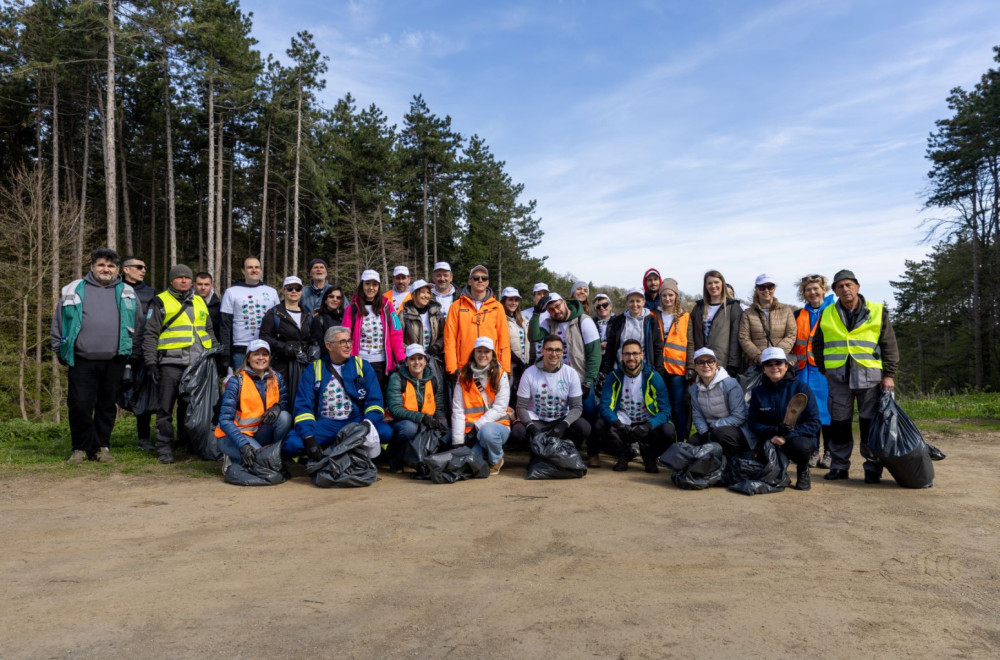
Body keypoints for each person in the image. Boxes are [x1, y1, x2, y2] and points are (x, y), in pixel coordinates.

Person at [51, 247, 139, 464]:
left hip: (115, 359)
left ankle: (101, 447)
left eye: (110, 266)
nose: (106, 269)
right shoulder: (74, 290)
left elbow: (138, 324)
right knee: (80, 405)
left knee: (107, 406)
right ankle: (80, 448)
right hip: (82, 359)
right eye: (101, 265)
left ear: (117, 269)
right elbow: (59, 322)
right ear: (92, 267)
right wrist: (58, 349)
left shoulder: (127, 291)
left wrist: (130, 353)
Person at [813, 269, 899, 482]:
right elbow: (817, 344)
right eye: (840, 286)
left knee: (869, 425)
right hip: (838, 378)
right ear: (834, 290)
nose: (845, 289)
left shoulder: (878, 311)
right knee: (839, 424)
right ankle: (840, 466)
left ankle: (872, 468)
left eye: (849, 284)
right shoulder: (827, 313)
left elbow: (889, 345)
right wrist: (824, 369)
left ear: (857, 287)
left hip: (869, 378)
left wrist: (888, 374)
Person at [143, 264, 217, 464]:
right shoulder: (160, 301)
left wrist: (214, 352)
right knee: (165, 408)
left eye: (187, 278)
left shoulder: (200, 301)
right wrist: (151, 362)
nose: (184, 280)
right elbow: (150, 334)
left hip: (196, 364)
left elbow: (208, 329)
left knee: (191, 409)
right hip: (170, 363)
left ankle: (188, 445)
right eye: (179, 277)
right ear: (171, 281)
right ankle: (165, 448)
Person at [285, 326, 392, 460]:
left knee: (385, 432)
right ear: (329, 346)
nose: (348, 346)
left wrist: (367, 422)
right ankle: (330, 452)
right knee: (293, 444)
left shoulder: (362, 366)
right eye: (342, 342)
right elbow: (303, 406)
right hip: (325, 423)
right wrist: (308, 437)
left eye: (349, 341)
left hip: (356, 421)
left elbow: (375, 401)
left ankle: (346, 453)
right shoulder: (314, 368)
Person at [529, 292, 602, 437]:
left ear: (564, 302)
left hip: (581, 378)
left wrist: (588, 381)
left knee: (588, 413)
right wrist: (536, 313)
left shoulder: (584, 321)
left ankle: (593, 452)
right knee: (564, 417)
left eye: (557, 306)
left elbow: (594, 353)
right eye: (551, 309)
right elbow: (533, 336)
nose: (556, 311)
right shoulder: (549, 322)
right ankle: (567, 448)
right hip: (559, 380)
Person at [596, 338, 675, 473]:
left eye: (635, 353)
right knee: (599, 426)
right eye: (627, 354)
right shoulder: (613, 376)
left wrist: (648, 426)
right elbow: (604, 406)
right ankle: (623, 453)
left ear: (641, 355)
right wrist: (617, 423)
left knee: (668, 431)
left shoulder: (653, 376)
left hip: (646, 422)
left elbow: (665, 410)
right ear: (622, 356)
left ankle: (649, 455)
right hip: (623, 422)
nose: (631, 357)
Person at [748, 347, 820, 490]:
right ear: (763, 369)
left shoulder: (801, 388)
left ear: (786, 366)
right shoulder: (758, 392)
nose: (774, 367)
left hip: (795, 438)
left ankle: (803, 469)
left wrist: (788, 436)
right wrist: (773, 431)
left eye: (778, 363)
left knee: (802, 447)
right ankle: (777, 470)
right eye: (769, 364)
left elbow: (814, 422)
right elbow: (753, 423)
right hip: (769, 438)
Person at [214, 339, 291, 473]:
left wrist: (278, 407)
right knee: (261, 463)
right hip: (235, 436)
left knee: (284, 417)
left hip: (260, 433)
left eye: (265, 354)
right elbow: (225, 420)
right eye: (256, 354)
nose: (261, 358)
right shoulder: (236, 381)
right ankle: (233, 456)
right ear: (248, 358)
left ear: (269, 358)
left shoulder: (277, 378)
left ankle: (272, 454)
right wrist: (243, 445)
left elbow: (284, 404)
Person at [510, 334, 591, 458]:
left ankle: (562, 450)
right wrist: (532, 429)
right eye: (549, 349)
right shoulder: (529, 373)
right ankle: (536, 450)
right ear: (543, 350)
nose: (554, 354)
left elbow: (577, 407)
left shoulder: (570, 373)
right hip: (537, 420)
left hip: (560, 420)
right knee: (518, 432)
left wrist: (563, 425)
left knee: (584, 427)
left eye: (557, 350)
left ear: (562, 352)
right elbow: (521, 407)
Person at [451, 337, 512, 475]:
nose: (483, 355)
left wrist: (477, 427)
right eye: (479, 351)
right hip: (471, 431)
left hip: (496, 426)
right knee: (471, 463)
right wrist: (458, 442)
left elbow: (500, 408)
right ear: (473, 353)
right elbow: (458, 410)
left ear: (492, 354)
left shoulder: (500, 375)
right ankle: (483, 453)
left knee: (488, 433)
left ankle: (496, 459)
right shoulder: (464, 376)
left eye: (487, 351)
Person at [793, 274, 835, 468]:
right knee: (809, 412)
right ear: (804, 293)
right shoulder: (798, 315)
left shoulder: (834, 311)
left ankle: (829, 452)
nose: (812, 292)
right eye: (808, 290)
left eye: (815, 288)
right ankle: (813, 451)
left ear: (823, 289)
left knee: (827, 412)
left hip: (825, 371)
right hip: (804, 372)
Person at [386, 344, 448, 473]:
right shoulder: (397, 378)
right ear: (406, 362)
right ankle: (396, 460)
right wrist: (422, 418)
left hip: (427, 420)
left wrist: (441, 421)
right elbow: (395, 409)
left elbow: (440, 406)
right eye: (412, 359)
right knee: (408, 429)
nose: (417, 362)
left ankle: (425, 462)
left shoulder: (434, 379)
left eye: (420, 358)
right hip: (402, 421)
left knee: (447, 431)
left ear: (425, 361)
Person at [342, 269, 405, 394]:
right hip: (359, 361)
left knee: (379, 397)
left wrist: (401, 359)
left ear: (379, 287)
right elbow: (345, 335)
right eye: (367, 284)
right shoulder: (352, 308)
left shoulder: (388, 307)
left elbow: (396, 333)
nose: (371, 288)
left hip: (381, 362)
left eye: (374, 285)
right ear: (362, 285)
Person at [443, 265, 511, 380]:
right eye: (476, 277)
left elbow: (504, 340)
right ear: (469, 281)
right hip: (464, 367)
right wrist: (451, 368)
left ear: (488, 282)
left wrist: (505, 368)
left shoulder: (497, 307)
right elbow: (450, 339)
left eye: (484, 278)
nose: (480, 280)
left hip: (491, 367)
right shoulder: (456, 306)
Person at [259, 276, 317, 406]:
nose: (294, 291)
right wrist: (284, 347)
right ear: (284, 291)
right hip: (282, 365)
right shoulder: (274, 314)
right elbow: (264, 337)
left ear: (302, 291)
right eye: (290, 288)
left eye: (297, 288)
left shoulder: (307, 314)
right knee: (282, 398)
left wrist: (314, 348)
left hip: (303, 364)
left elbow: (312, 336)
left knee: (303, 397)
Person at [688, 348, 753, 458]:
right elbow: (697, 415)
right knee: (691, 444)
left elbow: (739, 416)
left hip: (737, 429)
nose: (706, 365)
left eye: (710, 361)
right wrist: (703, 432)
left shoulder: (730, 384)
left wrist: (713, 427)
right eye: (700, 362)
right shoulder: (694, 389)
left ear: (716, 364)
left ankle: (738, 458)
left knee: (719, 434)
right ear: (695, 367)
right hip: (711, 429)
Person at [121, 255, 156, 450]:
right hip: (115, 351)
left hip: (142, 352)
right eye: (139, 266)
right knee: (110, 396)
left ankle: (144, 439)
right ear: (126, 269)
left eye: (145, 267)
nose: (144, 270)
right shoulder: (114, 290)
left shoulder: (151, 293)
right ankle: (102, 441)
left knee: (144, 395)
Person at [220, 256, 279, 370]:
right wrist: (225, 353)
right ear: (243, 271)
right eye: (250, 267)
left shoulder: (271, 292)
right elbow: (225, 325)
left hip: (265, 348)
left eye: (257, 267)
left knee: (265, 386)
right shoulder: (231, 292)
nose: (254, 270)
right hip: (241, 349)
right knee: (241, 385)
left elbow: (278, 323)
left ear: (261, 270)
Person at [600, 288, 664, 383]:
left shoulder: (652, 321)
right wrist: (605, 371)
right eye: (631, 301)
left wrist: (659, 372)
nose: (635, 305)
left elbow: (657, 347)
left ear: (643, 302)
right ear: (627, 302)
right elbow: (611, 346)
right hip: (619, 369)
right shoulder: (618, 321)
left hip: (643, 370)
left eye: (638, 301)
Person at [687, 270, 743, 377]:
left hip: (723, 362)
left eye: (716, 282)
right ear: (705, 286)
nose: (713, 286)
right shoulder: (698, 307)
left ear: (722, 283)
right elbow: (691, 338)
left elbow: (736, 339)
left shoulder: (733, 307)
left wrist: (733, 364)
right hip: (701, 362)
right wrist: (691, 363)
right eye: (709, 283)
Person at [657, 279, 691, 440]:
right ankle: (664, 442)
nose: (667, 298)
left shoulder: (685, 317)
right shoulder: (653, 315)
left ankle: (681, 440)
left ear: (676, 296)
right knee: (662, 407)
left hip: (678, 370)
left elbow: (691, 343)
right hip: (658, 369)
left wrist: (690, 367)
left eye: (670, 295)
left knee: (678, 407)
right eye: (664, 295)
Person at [738, 273, 797, 366]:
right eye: (762, 287)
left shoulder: (786, 310)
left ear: (774, 289)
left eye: (770, 287)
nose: (766, 290)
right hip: (757, 363)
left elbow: (791, 335)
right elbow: (744, 338)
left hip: (780, 364)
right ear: (756, 289)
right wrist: (760, 357)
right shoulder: (748, 313)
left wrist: (776, 355)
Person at [399, 279, 445, 359]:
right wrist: (411, 351)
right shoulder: (404, 315)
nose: (426, 295)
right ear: (413, 295)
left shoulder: (436, 313)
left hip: (432, 359)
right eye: (423, 292)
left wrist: (437, 346)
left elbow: (444, 335)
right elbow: (398, 339)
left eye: (428, 292)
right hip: (412, 360)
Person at [501, 287, 530, 391]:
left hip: (524, 366)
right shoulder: (500, 319)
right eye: (510, 300)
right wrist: (519, 363)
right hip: (510, 367)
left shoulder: (523, 320)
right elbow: (503, 345)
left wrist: (526, 363)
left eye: (516, 300)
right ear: (504, 301)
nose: (513, 303)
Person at [194, 271, 222, 336]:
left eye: (206, 284)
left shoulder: (219, 307)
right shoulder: (187, 304)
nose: (203, 288)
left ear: (212, 286)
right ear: (194, 285)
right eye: (200, 284)